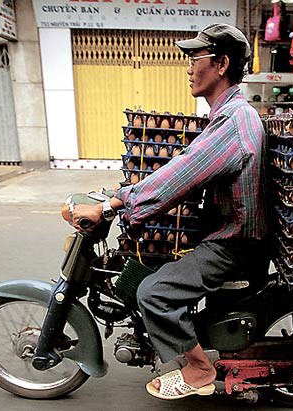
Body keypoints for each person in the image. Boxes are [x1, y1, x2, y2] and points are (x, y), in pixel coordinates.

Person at [72, 24, 269, 400]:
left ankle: (198, 367)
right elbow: (188, 168)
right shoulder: (226, 116)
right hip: (228, 231)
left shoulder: (235, 121)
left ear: (222, 63)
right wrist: (129, 197)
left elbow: (180, 176)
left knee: (154, 293)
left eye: (195, 58)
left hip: (234, 242)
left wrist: (112, 204)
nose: (189, 68)